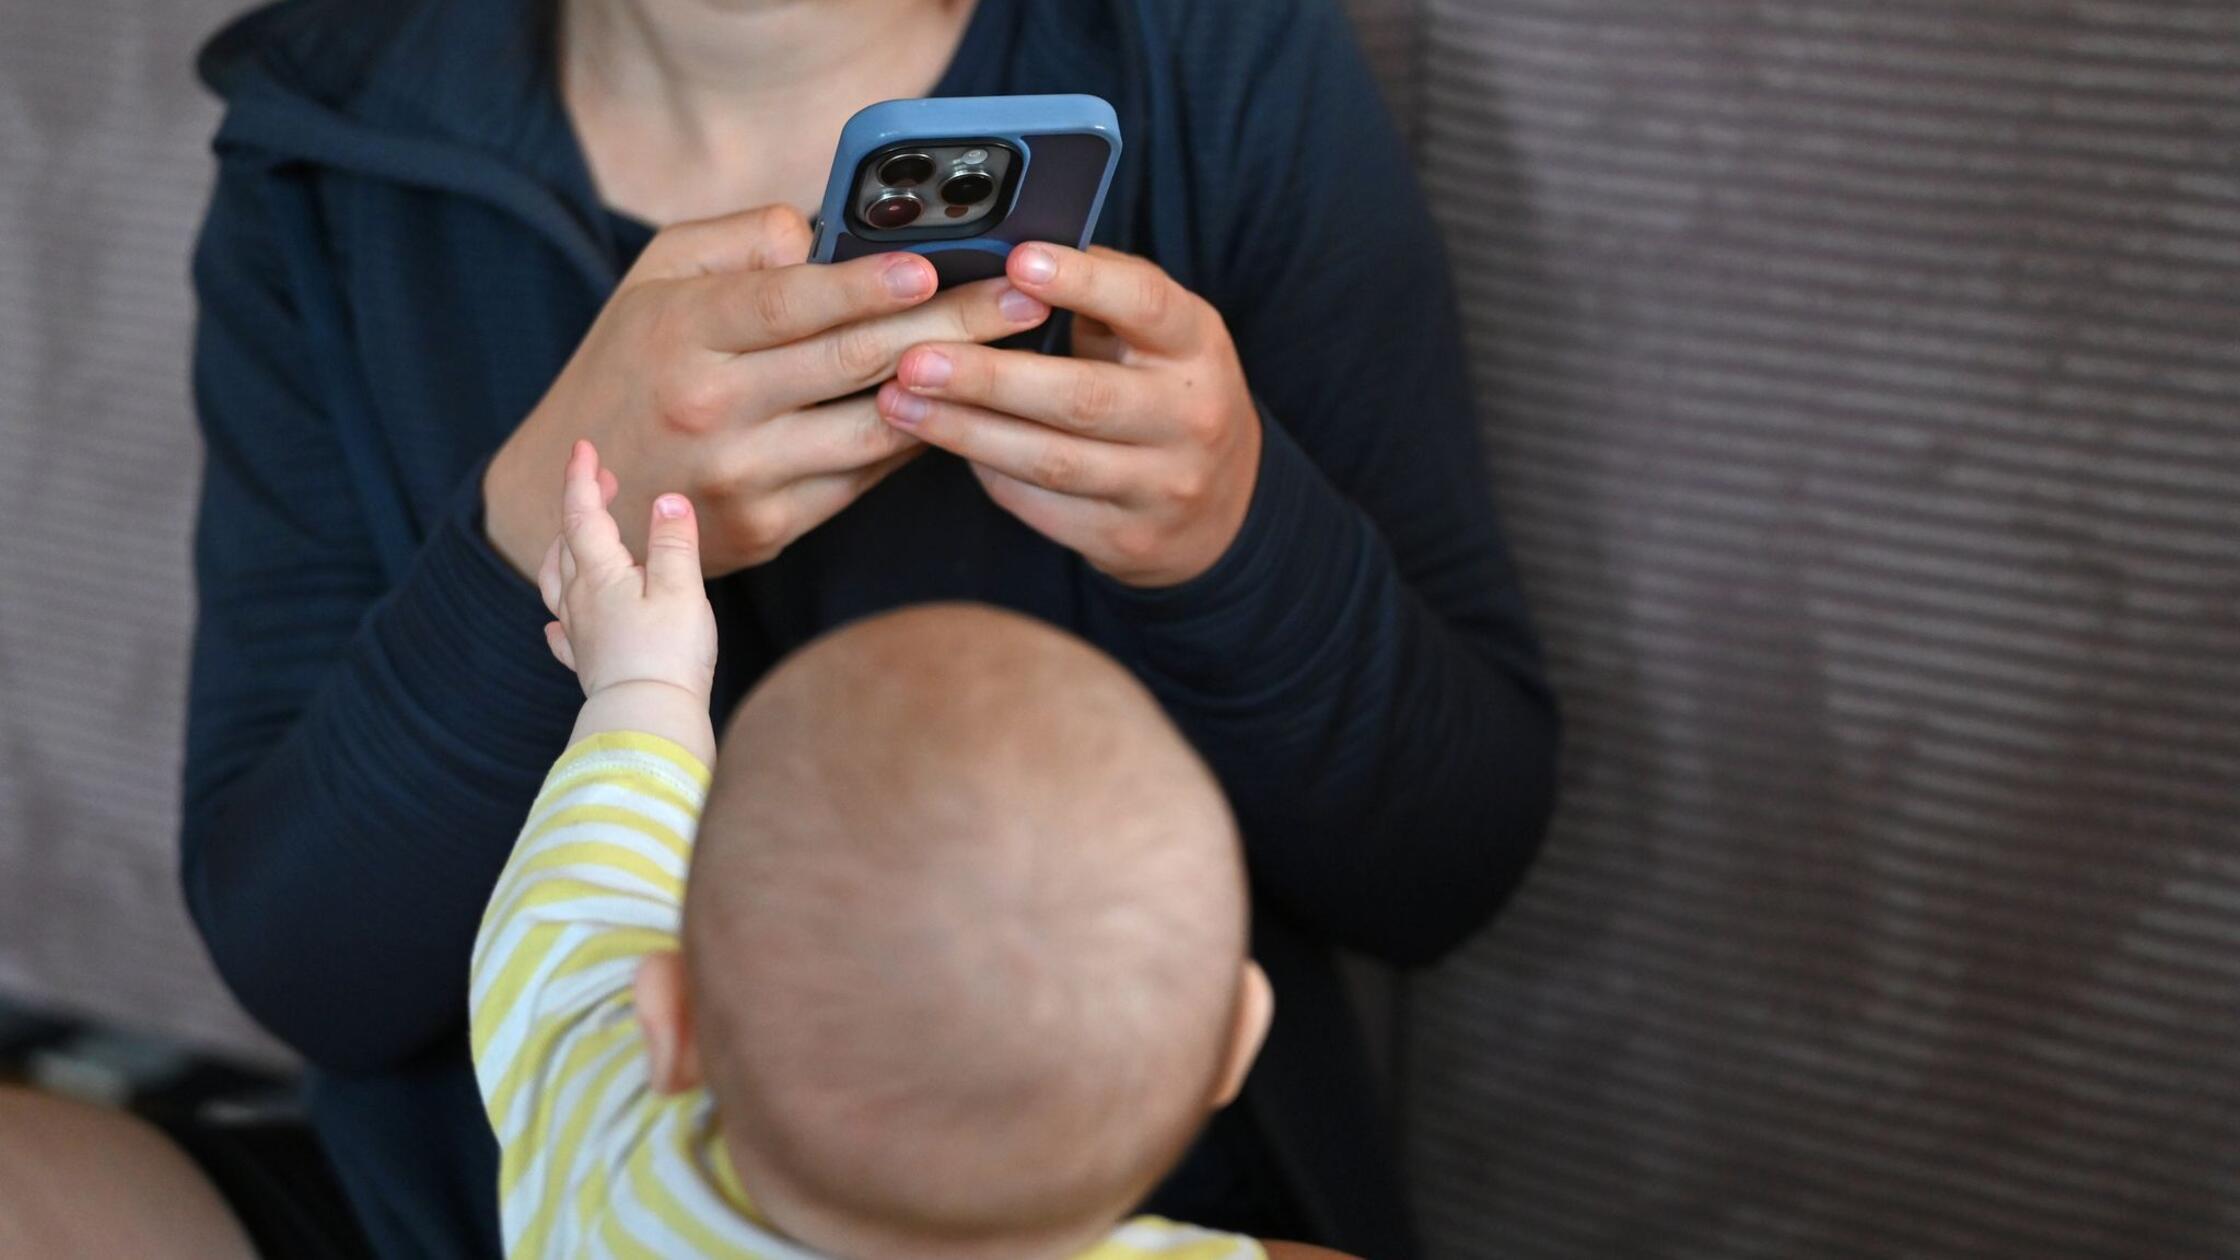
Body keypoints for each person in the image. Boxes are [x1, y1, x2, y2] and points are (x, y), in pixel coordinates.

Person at [112, 0, 1560, 1255]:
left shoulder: (1208, 55)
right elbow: (305, 966)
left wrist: (1234, 540)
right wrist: (524, 540)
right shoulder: (327, 135)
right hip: (479, 1208)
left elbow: (1444, 865)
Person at [473, 441, 1349, 1259]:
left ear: (668, 1025)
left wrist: (644, 682)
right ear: (1237, 1042)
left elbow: (589, 889)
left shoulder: (603, 1132)